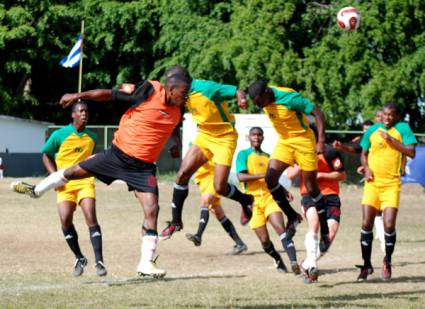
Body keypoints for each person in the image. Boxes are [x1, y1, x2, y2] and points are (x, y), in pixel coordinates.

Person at [11, 73, 191, 278]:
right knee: (73, 172)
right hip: (117, 155)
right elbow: (110, 95)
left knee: (152, 209)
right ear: (170, 89)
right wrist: (79, 95)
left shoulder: (179, 107)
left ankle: (145, 263)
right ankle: (37, 191)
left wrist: (176, 143)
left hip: (143, 167)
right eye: (184, 93)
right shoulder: (149, 91)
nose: (186, 97)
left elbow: (174, 125)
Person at [247, 80, 327, 283]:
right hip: (285, 142)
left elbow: (318, 113)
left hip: (303, 141)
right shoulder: (265, 101)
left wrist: (321, 140)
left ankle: (324, 222)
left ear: (267, 92)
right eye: (256, 103)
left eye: (260, 101)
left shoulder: (289, 97)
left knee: (310, 187)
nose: (260, 106)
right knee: (270, 178)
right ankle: (292, 216)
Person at [160, 66, 253, 239]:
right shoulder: (182, 94)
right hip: (204, 135)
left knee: (220, 187)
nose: (169, 87)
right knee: (181, 175)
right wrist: (177, 143)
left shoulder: (206, 88)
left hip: (225, 137)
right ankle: (175, 222)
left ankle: (247, 200)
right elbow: (174, 115)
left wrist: (241, 99)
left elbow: (237, 90)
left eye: (171, 82)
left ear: (182, 80)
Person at [40, 102, 106, 276]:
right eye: (81, 111)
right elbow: (46, 155)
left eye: (86, 111)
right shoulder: (59, 134)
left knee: (90, 216)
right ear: (73, 115)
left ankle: (99, 262)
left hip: (85, 182)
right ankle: (79, 257)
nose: (84, 114)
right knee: (65, 220)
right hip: (64, 184)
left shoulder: (92, 136)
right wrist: (54, 177)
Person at [357, 102, 417, 281]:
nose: (387, 118)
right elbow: (363, 153)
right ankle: (366, 265)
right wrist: (366, 168)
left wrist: (391, 140)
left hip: (391, 184)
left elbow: (411, 152)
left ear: (397, 116)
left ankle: (387, 261)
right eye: (385, 115)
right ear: (381, 115)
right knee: (366, 223)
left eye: (391, 115)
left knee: (388, 225)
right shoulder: (372, 130)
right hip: (373, 184)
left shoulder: (403, 128)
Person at [236, 127, 301, 274]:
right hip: (252, 202)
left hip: (270, 198)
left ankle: (293, 262)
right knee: (264, 241)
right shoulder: (243, 154)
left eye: (259, 135)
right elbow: (241, 177)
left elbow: (273, 179)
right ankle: (277, 258)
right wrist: (263, 174)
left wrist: (283, 191)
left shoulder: (269, 157)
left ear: (263, 138)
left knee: (281, 229)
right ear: (249, 137)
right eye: (254, 135)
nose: (256, 137)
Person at [290, 127, 346, 261]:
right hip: (310, 195)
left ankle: (309, 262)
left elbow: (342, 175)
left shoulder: (329, 152)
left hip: (331, 196)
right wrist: (302, 162)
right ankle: (311, 265)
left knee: (329, 235)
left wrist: (321, 175)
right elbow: (290, 174)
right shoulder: (297, 152)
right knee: (314, 225)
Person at [185, 159, 248, 255]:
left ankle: (198, 235)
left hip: (213, 179)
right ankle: (239, 244)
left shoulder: (211, 145)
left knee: (204, 203)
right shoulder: (196, 144)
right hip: (203, 181)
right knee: (219, 213)